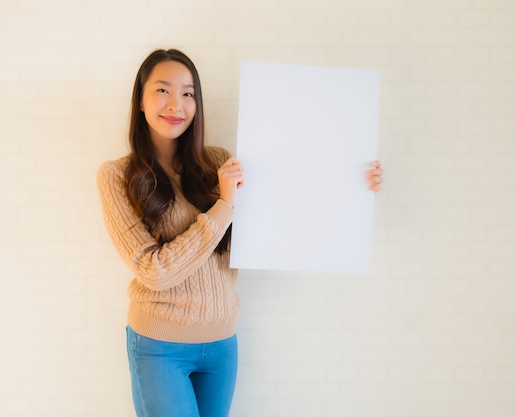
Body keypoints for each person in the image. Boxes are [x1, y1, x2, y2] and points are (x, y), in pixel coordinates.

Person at [97, 48, 383, 417]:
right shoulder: (117, 176)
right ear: (140, 99)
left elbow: (283, 208)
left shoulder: (217, 163)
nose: (176, 104)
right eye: (163, 90)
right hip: (158, 346)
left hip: (221, 343)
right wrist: (223, 206)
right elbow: (154, 271)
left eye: (188, 94)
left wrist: (353, 182)